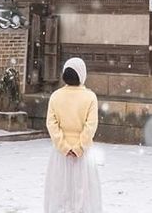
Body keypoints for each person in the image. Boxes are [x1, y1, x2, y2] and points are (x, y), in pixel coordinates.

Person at [44, 57, 102, 213]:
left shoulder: (56, 96)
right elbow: (91, 126)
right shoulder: (90, 97)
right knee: (83, 192)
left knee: (60, 190)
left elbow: (51, 123)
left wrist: (63, 146)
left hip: (60, 154)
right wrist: (79, 147)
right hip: (83, 155)